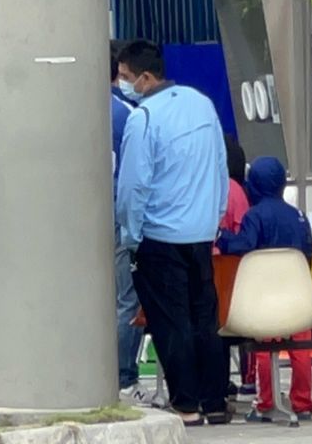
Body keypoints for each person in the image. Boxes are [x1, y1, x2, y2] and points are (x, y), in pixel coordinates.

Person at [115, 40, 231, 426]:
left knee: (171, 324)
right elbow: (220, 167)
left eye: (126, 77)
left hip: (159, 237)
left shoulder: (143, 118)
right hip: (201, 234)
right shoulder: (202, 104)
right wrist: (213, 219)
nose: (123, 84)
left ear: (146, 78)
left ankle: (186, 405)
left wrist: (131, 235)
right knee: (204, 320)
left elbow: (133, 186)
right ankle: (215, 402)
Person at [218, 157, 312, 422]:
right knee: (300, 349)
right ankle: (303, 402)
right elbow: (309, 252)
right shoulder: (298, 216)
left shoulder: (255, 215)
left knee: (264, 349)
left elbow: (244, 244)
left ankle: (267, 402)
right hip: (298, 296)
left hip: (265, 298)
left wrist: (222, 238)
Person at [111, 41, 154, 407]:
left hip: (83, 217)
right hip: (119, 216)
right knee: (127, 299)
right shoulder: (128, 113)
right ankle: (125, 377)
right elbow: (136, 176)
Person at [217, 135, 255, 396]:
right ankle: (247, 379)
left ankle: (216, 383)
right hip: (230, 269)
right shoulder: (234, 190)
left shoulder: (205, 184)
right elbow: (243, 233)